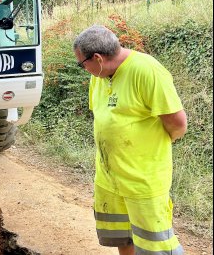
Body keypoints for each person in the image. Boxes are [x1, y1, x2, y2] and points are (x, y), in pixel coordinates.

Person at [73, 25, 187, 255]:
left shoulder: (147, 71)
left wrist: (150, 149)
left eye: (82, 63)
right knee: (122, 238)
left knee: (156, 246)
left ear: (97, 58)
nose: (83, 68)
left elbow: (177, 124)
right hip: (109, 179)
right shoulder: (100, 75)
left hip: (142, 181)